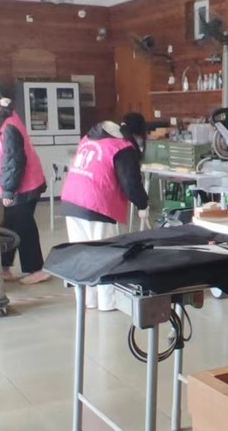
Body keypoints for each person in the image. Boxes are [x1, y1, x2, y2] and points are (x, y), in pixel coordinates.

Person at [61, 113, 150, 311]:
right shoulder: (122, 146)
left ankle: (87, 300)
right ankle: (107, 302)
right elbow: (131, 183)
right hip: (97, 203)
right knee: (106, 255)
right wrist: (143, 204)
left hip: (71, 199)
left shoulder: (90, 138)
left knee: (82, 253)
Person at [0, 86, 51, 285]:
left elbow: (14, 161)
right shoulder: (2, 124)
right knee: (9, 226)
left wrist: (8, 190)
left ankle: (37, 269)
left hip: (24, 186)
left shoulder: (9, 127)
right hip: (17, 185)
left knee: (23, 227)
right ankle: (5, 266)